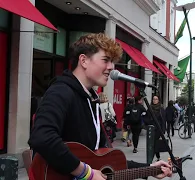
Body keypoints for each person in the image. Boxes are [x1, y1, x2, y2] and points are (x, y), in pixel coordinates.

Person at [28, 33, 172, 180]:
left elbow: (104, 160)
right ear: (83, 60)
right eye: (105, 60)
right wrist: (85, 172)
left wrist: (148, 169)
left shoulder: (92, 100)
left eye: (112, 62)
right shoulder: (61, 92)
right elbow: (42, 137)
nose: (111, 67)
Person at [149, 95, 166, 161]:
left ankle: (151, 158)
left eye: (156, 99)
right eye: (153, 99)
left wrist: (163, 131)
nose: (154, 100)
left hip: (158, 129)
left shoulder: (161, 109)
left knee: (155, 143)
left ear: (158, 100)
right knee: (153, 144)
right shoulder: (150, 108)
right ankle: (157, 156)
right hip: (151, 128)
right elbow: (147, 117)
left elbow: (163, 120)